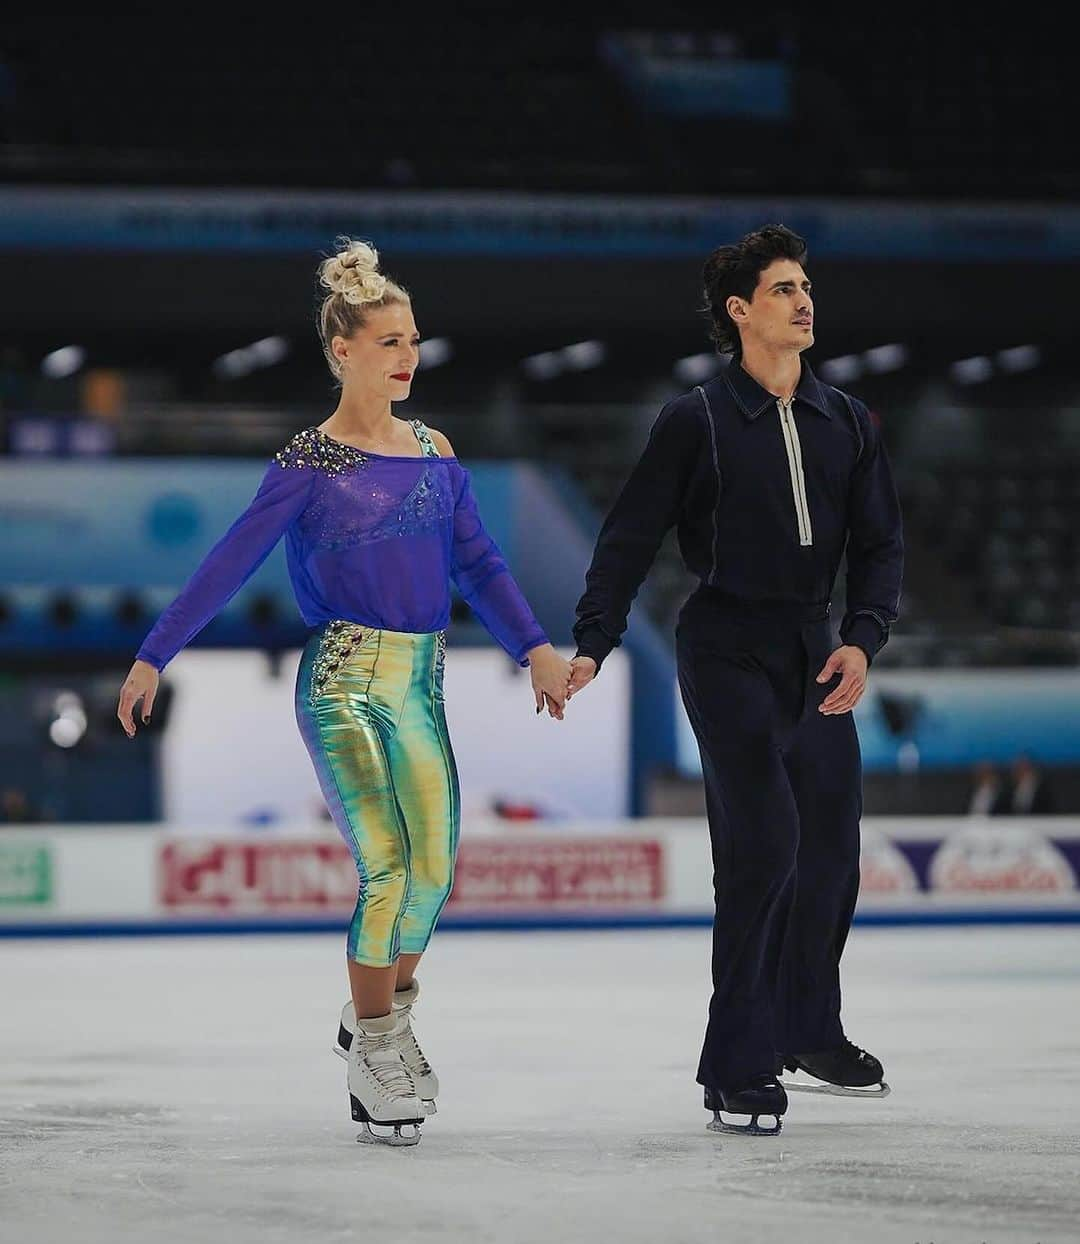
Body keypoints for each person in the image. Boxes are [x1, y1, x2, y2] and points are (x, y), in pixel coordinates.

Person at [117, 239, 572, 1145]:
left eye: (413, 340)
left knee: (436, 878)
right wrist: (152, 655)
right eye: (389, 341)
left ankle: (377, 1017)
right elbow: (227, 563)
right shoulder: (310, 463)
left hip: (423, 683)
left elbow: (477, 562)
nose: (408, 356)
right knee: (389, 867)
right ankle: (376, 1048)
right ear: (343, 351)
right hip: (342, 683)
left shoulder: (437, 450)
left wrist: (536, 648)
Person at [567, 225, 903, 1135]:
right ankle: (738, 1062)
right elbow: (630, 536)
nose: (804, 301)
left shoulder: (848, 423)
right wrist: (593, 641)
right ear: (741, 311)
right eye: (784, 288)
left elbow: (880, 547)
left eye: (807, 286)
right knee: (765, 845)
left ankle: (810, 1027)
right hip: (724, 647)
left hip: (816, 648)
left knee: (830, 844)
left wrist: (863, 639)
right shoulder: (698, 421)